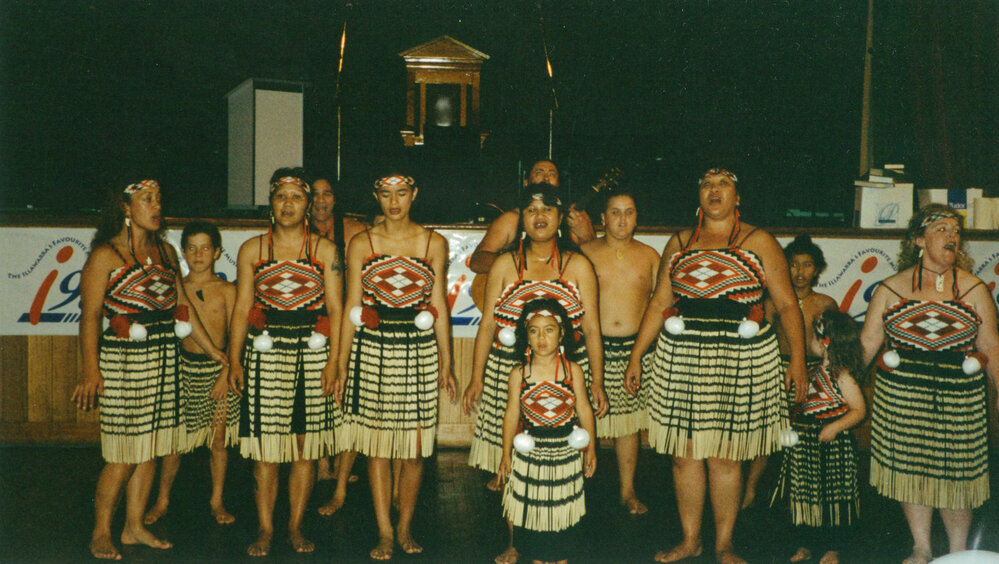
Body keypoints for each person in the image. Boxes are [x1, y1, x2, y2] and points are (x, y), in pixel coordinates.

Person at [624, 168, 806, 564]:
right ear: (698, 196)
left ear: (738, 197)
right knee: (684, 453)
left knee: (725, 454)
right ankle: (691, 540)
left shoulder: (759, 241)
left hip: (741, 358)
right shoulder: (679, 243)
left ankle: (724, 544)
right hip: (682, 356)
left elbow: (788, 303)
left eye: (724, 184)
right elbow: (659, 304)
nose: (714, 190)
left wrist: (798, 363)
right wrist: (637, 354)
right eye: (707, 184)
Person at [72, 179, 228, 560]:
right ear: (126, 208)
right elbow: (90, 318)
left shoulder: (166, 254)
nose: (156, 206)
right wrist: (91, 372)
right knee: (124, 453)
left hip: (164, 358)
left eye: (158, 198)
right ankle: (101, 531)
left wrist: (214, 353)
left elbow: (185, 305)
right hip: (124, 363)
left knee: (151, 450)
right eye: (146, 200)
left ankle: (134, 526)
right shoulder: (105, 256)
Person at [463, 183, 608, 564]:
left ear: (560, 218)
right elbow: (487, 326)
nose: (539, 216)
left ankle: (559, 542)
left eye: (547, 209)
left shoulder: (577, 265)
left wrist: (596, 381)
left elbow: (591, 328)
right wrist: (477, 377)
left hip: (563, 376)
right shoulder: (505, 264)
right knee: (513, 457)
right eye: (530, 209)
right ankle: (517, 540)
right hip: (508, 374)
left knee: (559, 461)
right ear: (521, 219)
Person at [859, 204, 999, 564]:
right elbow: (867, 344)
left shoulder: (973, 289)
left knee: (957, 478)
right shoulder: (891, 288)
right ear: (919, 240)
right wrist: (834, 385)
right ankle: (920, 546)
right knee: (912, 472)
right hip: (902, 395)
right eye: (941, 229)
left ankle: (957, 551)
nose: (952, 236)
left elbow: (991, 347)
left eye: (956, 230)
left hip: (960, 397)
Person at [334, 171, 457, 560]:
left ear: (414, 194)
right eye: (386, 194)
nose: (394, 201)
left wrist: (447, 362)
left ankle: (405, 525)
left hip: (418, 350)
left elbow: (439, 305)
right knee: (379, 447)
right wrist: (341, 364)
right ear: (375, 196)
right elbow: (352, 307)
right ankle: (385, 532)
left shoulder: (433, 242)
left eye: (401, 193)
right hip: (372, 350)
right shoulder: (362, 242)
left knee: (415, 450)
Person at [227, 168, 343, 556]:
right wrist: (234, 360)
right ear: (271, 203)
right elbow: (243, 306)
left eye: (296, 197)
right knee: (265, 451)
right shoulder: (253, 250)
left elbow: (338, 310)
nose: (288, 204)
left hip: (312, 355)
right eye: (281, 197)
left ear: (308, 204)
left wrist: (335, 364)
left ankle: (294, 526)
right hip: (266, 353)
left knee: (305, 449)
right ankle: (265, 528)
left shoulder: (325, 251)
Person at [143, 221, 239, 526]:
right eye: (192, 248)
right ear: (183, 252)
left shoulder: (227, 290)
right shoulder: (175, 287)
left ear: (217, 252)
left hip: (218, 371)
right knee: (175, 443)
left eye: (206, 247)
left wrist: (227, 373)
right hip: (182, 369)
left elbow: (238, 337)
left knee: (218, 441)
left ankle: (217, 500)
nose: (199, 254)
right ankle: (162, 500)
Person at [498, 299, 598, 564]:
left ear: (562, 333)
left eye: (549, 329)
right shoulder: (520, 373)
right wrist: (505, 454)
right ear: (525, 335)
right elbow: (511, 414)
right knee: (534, 509)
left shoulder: (572, 371)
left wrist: (591, 450)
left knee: (562, 509)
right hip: (530, 452)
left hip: (565, 450)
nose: (541, 337)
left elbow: (585, 410)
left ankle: (561, 558)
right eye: (534, 330)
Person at [743, 234, 837, 509]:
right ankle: (750, 489)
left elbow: (833, 349)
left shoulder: (825, 304)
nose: (800, 272)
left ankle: (803, 496)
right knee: (767, 435)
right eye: (794, 264)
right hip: (777, 370)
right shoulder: (772, 302)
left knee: (807, 439)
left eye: (807, 265)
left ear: (817, 269)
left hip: (815, 372)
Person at [580, 191, 659, 515]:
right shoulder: (583, 254)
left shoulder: (651, 256)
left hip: (634, 352)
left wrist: (639, 355)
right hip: (589, 350)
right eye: (615, 212)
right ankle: (576, 489)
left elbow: (660, 306)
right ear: (603, 218)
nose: (622, 219)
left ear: (637, 218)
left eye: (629, 212)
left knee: (628, 427)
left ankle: (627, 491)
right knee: (582, 422)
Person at [777, 310, 866, 564]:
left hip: (833, 446)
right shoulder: (810, 369)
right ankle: (805, 543)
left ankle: (833, 547)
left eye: (813, 337)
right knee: (805, 496)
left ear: (824, 341)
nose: (809, 341)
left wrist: (836, 427)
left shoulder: (843, 376)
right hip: (805, 444)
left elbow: (859, 410)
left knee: (833, 499)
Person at [310, 174, 365, 515]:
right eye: (313, 194)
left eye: (326, 193)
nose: (320, 200)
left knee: (350, 400)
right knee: (319, 397)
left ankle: (340, 484)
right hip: (311, 323)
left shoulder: (356, 231)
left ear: (336, 198)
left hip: (349, 323)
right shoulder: (292, 234)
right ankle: (321, 464)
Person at [468, 160, 595, 275]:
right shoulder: (511, 219)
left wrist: (586, 237)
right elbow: (477, 261)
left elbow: (597, 266)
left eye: (552, 174)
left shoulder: (576, 217)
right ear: (526, 182)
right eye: (539, 173)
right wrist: (523, 265)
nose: (546, 178)